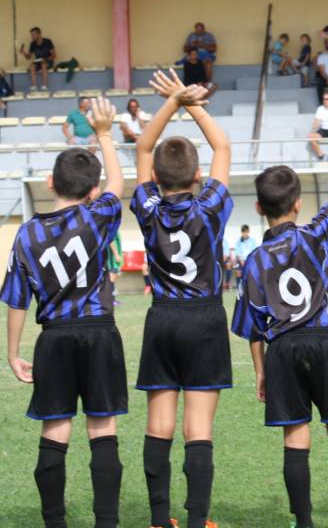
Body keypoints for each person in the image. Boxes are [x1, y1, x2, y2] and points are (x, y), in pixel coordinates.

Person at [231, 108, 328, 528]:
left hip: (282, 350)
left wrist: (261, 373)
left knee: (296, 437)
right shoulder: (315, 236)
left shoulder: (254, 261)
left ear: (259, 208)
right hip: (325, 341)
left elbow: (254, 328)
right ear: (298, 203)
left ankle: (304, 522)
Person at [1, 97, 124, 528]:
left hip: (53, 337)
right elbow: (118, 186)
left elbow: (17, 300)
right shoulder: (97, 217)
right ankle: (105, 521)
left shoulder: (27, 233)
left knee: (54, 433)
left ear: (50, 183)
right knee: (102, 430)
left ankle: (55, 522)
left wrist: (13, 352)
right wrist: (106, 135)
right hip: (99, 333)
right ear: (92, 192)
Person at [131, 69, 232, 528]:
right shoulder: (209, 205)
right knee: (199, 429)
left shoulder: (147, 205)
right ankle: (197, 521)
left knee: (159, 426)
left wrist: (170, 102)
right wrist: (190, 102)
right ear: (196, 175)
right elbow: (224, 148)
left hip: (163, 317)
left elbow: (142, 147)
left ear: (154, 177)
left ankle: (158, 520)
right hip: (205, 318)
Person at [20, 26, 55, 91]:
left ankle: (44, 86)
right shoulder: (33, 44)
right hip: (38, 62)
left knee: (43, 64)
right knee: (32, 66)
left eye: (33, 35)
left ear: (39, 34)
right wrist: (23, 52)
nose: (32, 37)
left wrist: (46, 59)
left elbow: (53, 55)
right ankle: (34, 86)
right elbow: (28, 57)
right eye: (31, 35)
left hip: (48, 61)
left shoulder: (48, 41)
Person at [226, 224, 258, 290]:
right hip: (240, 261)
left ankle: (250, 287)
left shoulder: (253, 241)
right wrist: (241, 261)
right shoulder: (238, 241)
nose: (244, 234)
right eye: (243, 232)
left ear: (248, 232)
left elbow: (254, 252)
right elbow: (237, 253)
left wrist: (248, 260)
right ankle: (239, 288)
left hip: (250, 260)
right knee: (238, 272)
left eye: (246, 232)